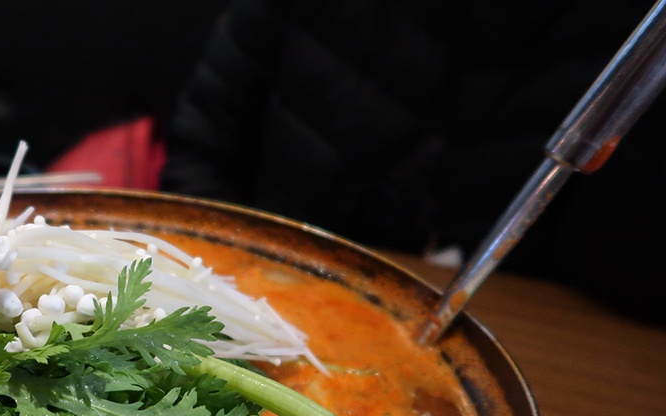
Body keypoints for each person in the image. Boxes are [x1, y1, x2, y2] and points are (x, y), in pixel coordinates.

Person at [161, 0, 665, 325]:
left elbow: (624, 268)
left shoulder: (627, 32)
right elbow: (204, 144)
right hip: (257, 277)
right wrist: (219, 289)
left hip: (515, 322)